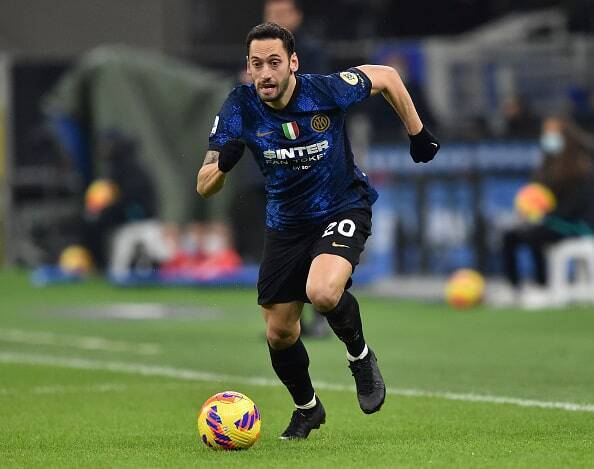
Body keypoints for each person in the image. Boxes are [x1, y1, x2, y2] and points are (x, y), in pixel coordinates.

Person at [196, 23, 439, 440]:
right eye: (257, 64)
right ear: (248, 68)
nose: (265, 73)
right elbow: (203, 185)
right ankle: (307, 409)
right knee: (279, 332)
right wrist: (223, 164)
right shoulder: (239, 106)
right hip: (286, 225)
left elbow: (387, 77)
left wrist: (418, 134)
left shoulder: (325, 90)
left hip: (342, 206)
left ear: (293, 62)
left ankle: (360, 358)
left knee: (323, 292)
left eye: (274, 62)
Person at [502, 116, 594, 299]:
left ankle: (542, 284)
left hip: (576, 225)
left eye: (553, 132)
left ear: (565, 135)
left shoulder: (582, 168)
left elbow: (577, 205)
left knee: (535, 235)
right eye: (546, 132)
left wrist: (547, 215)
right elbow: (535, 194)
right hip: (551, 221)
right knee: (510, 236)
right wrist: (529, 209)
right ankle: (514, 289)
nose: (548, 137)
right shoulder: (545, 166)